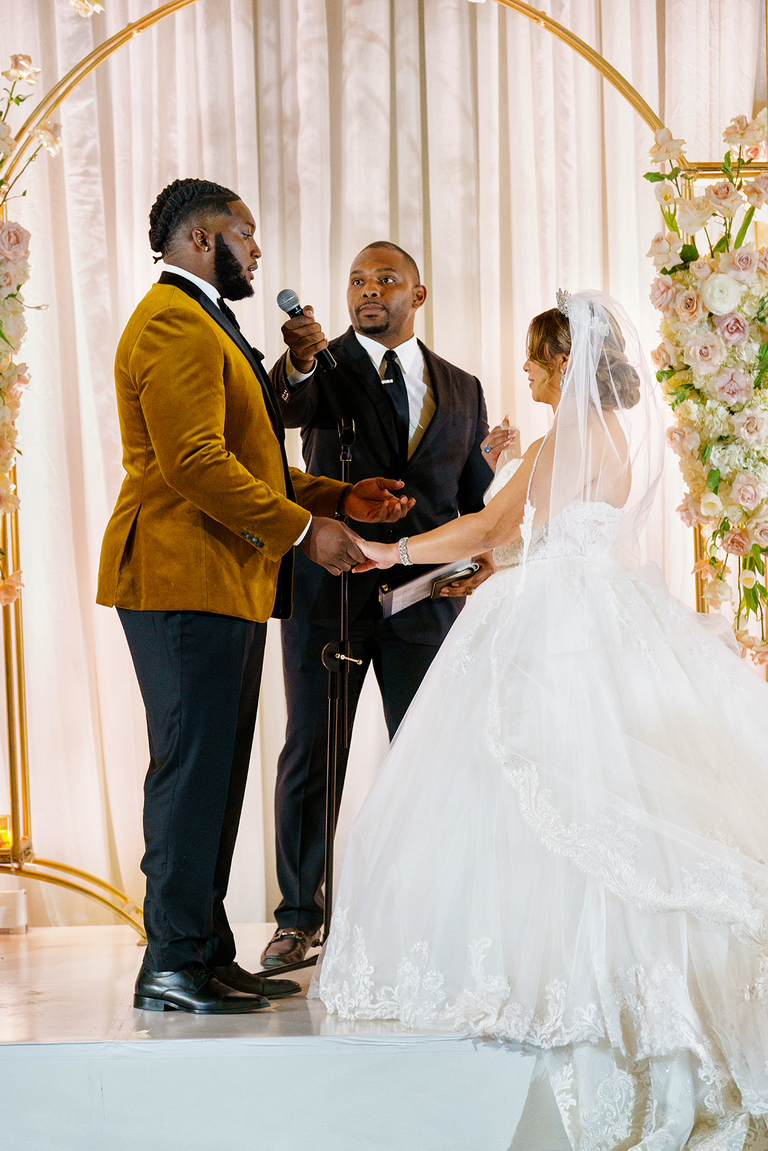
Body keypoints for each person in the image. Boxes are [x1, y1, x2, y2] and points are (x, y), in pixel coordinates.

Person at [315, 291, 768, 1147]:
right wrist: (509, 539)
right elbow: (552, 534)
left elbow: (488, 524)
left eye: (534, 355)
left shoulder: (565, 438)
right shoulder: (612, 438)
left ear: (564, 361)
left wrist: (390, 551)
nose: (524, 368)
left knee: (539, 786)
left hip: (556, 621)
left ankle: (550, 973)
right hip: (604, 608)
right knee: (607, 784)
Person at [96, 179, 412, 1014]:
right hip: (178, 578)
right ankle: (170, 962)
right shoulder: (172, 322)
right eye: (246, 233)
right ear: (203, 240)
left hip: (223, 581)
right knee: (189, 771)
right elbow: (195, 464)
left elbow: (249, 462)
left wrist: (339, 497)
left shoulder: (208, 320)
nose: (258, 248)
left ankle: (205, 952)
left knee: (216, 772)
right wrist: (308, 533)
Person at [261, 241, 501, 968]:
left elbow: (469, 500)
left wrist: (476, 561)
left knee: (430, 753)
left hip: (426, 599)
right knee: (313, 753)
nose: (369, 290)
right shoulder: (321, 366)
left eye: (386, 279)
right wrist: (299, 361)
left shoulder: (463, 387)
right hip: (330, 593)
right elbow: (285, 407)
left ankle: (432, 911)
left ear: (417, 295)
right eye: (358, 280)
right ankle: (299, 919)